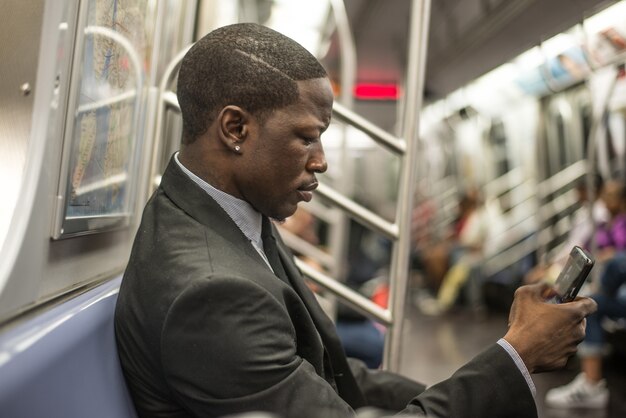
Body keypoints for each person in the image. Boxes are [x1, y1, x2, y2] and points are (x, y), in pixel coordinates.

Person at [114, 23, 597, 418]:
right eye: (307, 137)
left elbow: (333, 375)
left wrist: (463, 383)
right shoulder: (212, 292)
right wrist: (518, 354)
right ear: (235, 128)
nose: (321, 161)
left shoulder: (224, 214)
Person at [546, 179, 626, 409]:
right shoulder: (606, 222)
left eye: (612, 196)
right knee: (590, 301)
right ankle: (586, 379)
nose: (607, 200)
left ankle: (591, 384)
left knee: (592, 303)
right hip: (612, 284)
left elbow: (618, 262)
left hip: (616, 285)